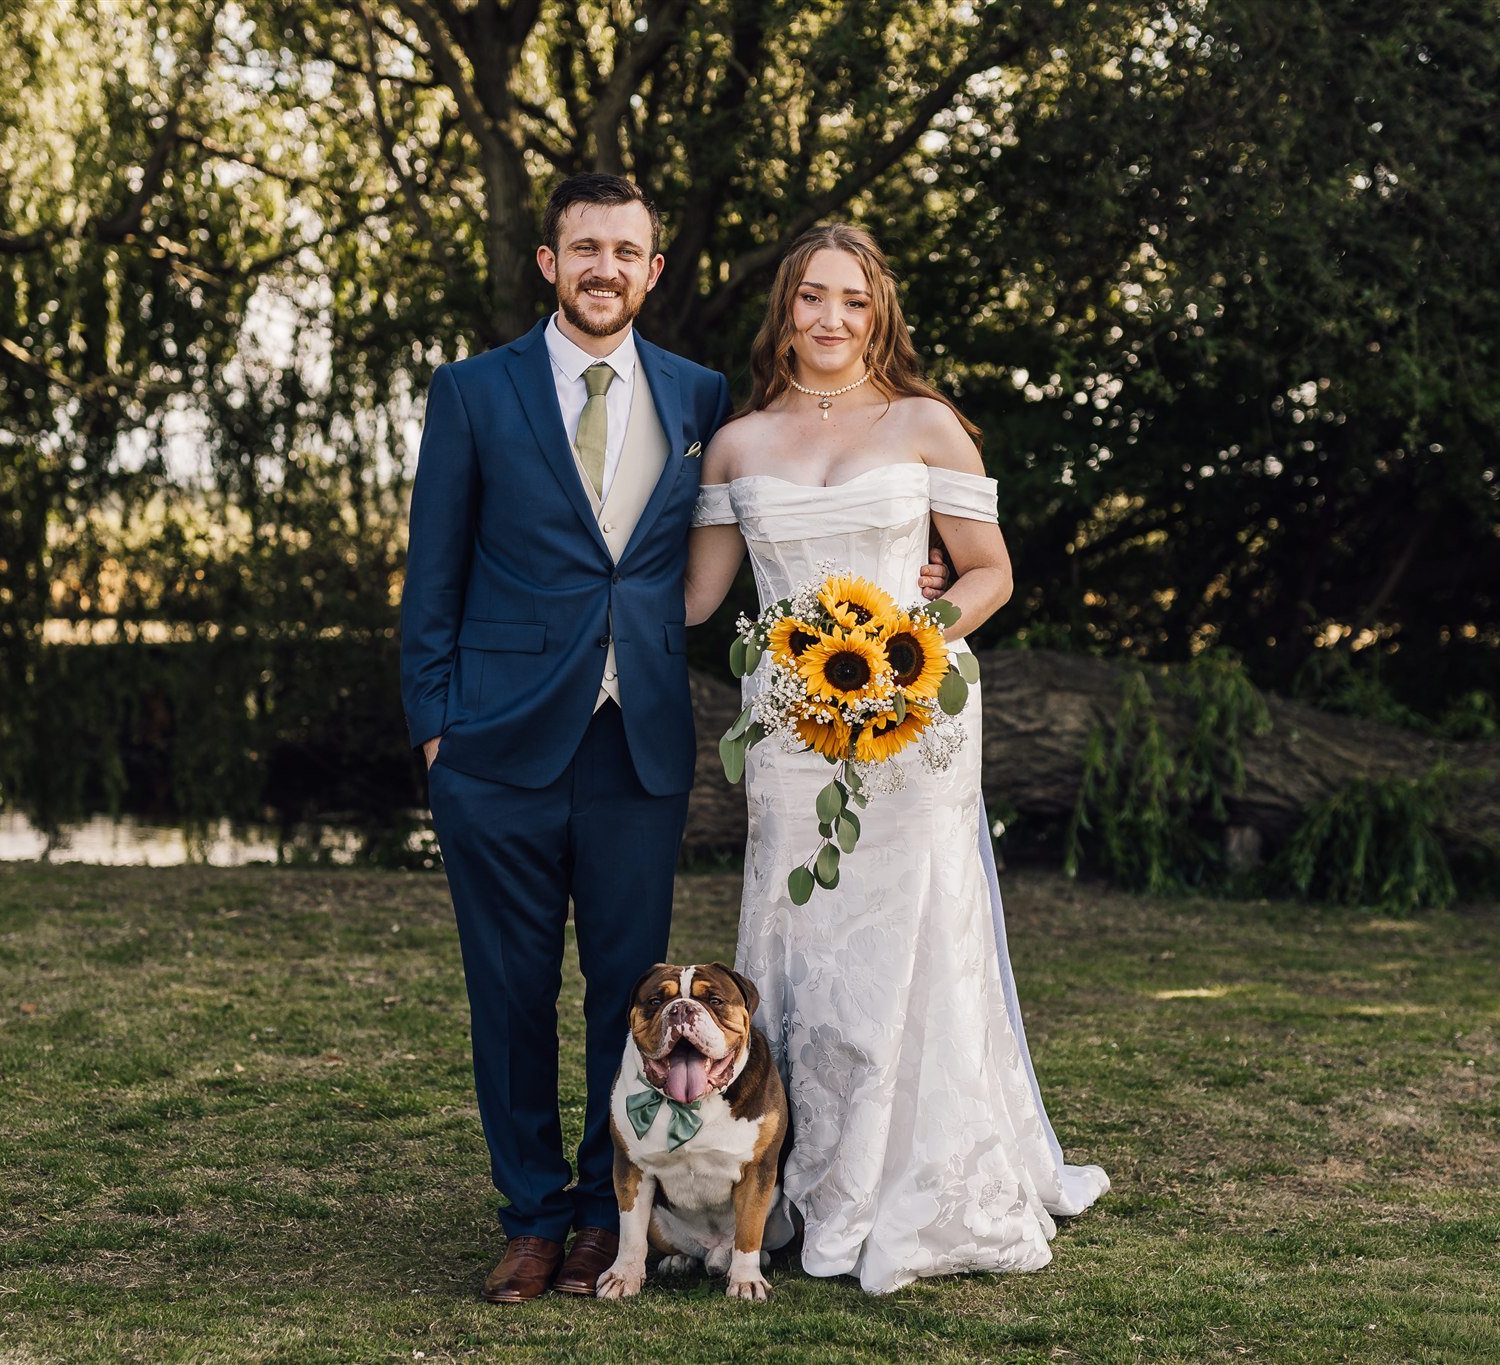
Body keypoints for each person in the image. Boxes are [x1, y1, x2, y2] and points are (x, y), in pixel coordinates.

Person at [399, 177, 948, 1302]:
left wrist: (910, 582)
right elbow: (432, 574)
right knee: (506, 994)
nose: (605, 268)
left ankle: (610, 1218)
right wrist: (432, 732)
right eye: (584, 249)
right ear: (549, 264)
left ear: (653, 273)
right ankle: (529, 1217)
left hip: (635, 749)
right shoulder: (471, 393)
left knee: (630, 996)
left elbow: (740, 539)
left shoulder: (702, 401)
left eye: (627, 252)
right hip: (492, 747)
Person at [684, 223, 1110, 1294]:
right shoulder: (736, 445)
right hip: (786, 730)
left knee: (909, 937)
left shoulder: (926, 425)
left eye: (853, 302)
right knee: (799, 937)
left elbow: (987, 574)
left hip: (915, 721)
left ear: (879, 315)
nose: (830, 319)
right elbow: (693, 598)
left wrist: (905, 644)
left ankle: (913, 1178)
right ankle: (797, 1175)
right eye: (811, 298)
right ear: (783, 309)